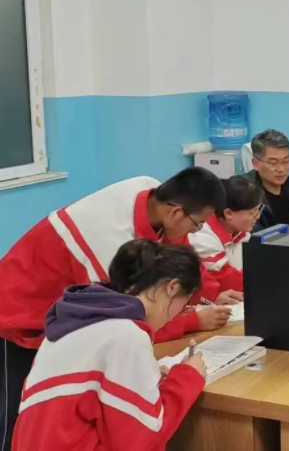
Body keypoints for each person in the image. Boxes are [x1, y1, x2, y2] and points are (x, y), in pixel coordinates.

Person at [0, 168, 230, 451]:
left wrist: (141, 372)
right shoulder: (105, 249)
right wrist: (186, 369)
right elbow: (142, 438)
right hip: (15, 314)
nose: (195, 232)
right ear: (176, 213)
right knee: (11, 420)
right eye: (197, 225)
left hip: (56, 327)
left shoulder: (148, 190)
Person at [11, 239, 207, 451]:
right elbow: (141, 441)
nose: (179, 313)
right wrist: (187, 377)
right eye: (185, 304)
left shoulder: (78, 320)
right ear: (172, 287)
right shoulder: (126, 334)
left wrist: (143, 374)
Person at [189, 176, 265, 299]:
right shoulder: (202, 235)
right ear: (228, 213)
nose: (257, 217)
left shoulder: (241, 232)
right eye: (252, 213)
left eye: (259, 210)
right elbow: (227, 281)